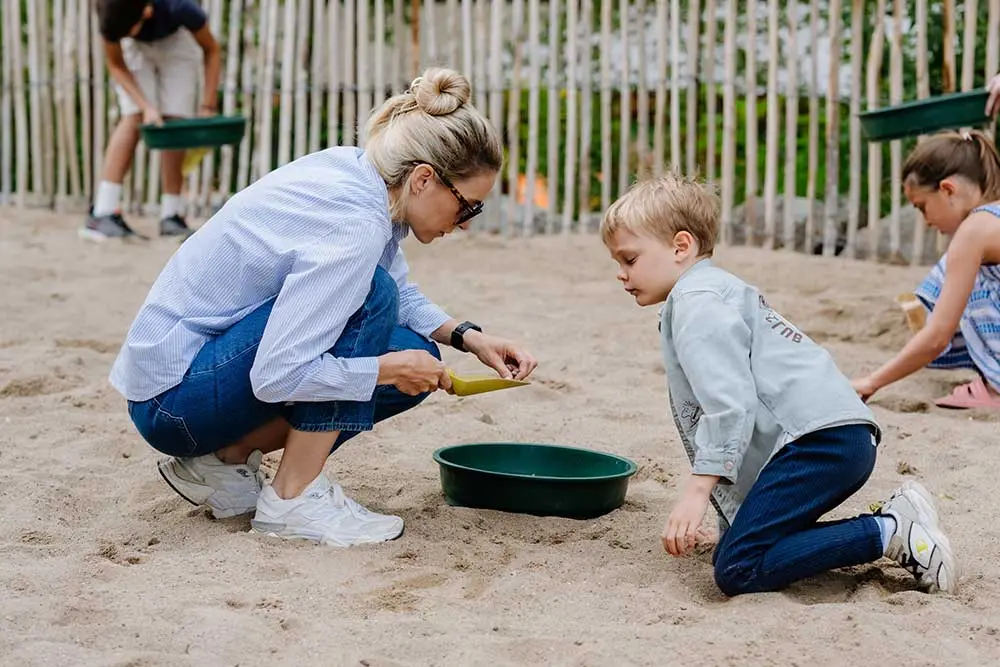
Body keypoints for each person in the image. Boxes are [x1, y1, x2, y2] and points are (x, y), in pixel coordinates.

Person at [109, 67, 537, 547]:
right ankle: (292, 498)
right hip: (173, 403)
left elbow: (400, 293)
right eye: (468, 206)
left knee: (410, 345)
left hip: (182, 382)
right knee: (374, 306)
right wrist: (387, 369)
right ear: (423, 179)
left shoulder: (359, 174)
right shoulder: (355, 225)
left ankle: (223, 461)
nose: (466, 223)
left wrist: (470, 338)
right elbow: (278, 375)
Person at [600, 173, 956, 595]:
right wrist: (731, 526)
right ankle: (894, 521)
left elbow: (730, 405)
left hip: (819, 444)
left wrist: (696, 492)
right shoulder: (716, 290)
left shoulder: (697, 304)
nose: (621, 274)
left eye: (629, 259)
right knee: (733, 550)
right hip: (835, 435)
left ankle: (888, 531)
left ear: (681, 247)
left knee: (738, 569)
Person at [852, 130, 1000, 410]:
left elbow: (938, 337)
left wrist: (872, 382)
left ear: (948, 190)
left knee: (958, 277)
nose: (926, 221)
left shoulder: (973, 232)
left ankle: (995, 386)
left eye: (922, 207)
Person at [83, 0, 222, 241]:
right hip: (136, 48)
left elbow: (212, 50)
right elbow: (116, 64)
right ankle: (103, 212)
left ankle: (171, 214)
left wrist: (208, 105)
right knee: (134, 116)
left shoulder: (180, 7)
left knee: (175, 121)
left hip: (177, 40)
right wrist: (145, 106)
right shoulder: (112, 13)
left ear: (146, 12)